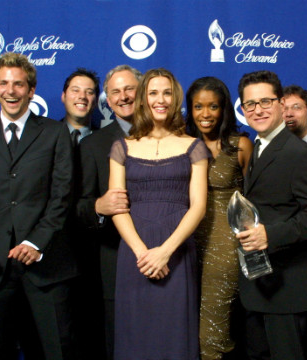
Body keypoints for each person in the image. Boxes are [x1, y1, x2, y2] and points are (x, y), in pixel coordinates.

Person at [0, 52, 78, 360]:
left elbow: (63, 196)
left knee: (56, 350)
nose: (11, 91)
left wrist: (37, 241)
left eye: (19, 84)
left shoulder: (55, 133)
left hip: (46, 266)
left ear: (31, 90)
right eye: (3, 84)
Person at [109, 68, 208, 360]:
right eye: (153, 93)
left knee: (175, 333)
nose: (160, 99)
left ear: (176, 99)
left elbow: (199, 206)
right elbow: (117, 207)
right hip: (134, 254)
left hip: (176, 252)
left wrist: (165, 252)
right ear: (142, 99)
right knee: (135, 334)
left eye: (167, 93)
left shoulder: (194, 147)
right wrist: (143, 253)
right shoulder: (121, 148)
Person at [236, 70, 307, 360]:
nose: (258, 110)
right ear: (242, 110)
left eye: (265, 101)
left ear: (281, 103)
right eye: (250, 104)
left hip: (287, 288)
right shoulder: (255, 148)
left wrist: (270, 234)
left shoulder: (301, 154)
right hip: (258, 287)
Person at [76, 64, 141, 360]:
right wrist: (98, 207)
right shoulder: (92, 145)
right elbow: (76, 206)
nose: (123, 96)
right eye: (115, 91)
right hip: (114, 262)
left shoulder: (171, 137)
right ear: (107, 99)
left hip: (167, 255)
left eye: (130, 89)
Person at [185, 76, 253, 360]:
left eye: (213, 106)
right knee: (183, 326)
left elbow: (253, 201)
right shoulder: (182, 144)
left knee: (212, 333)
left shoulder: (240, 145)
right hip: (183, 243)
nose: (205, 114)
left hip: (224, 247)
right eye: (198, 106)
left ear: (224, 109)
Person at [60, 67, 100, 359]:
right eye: (76, 89)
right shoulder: (43, 137)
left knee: (91, 329)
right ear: (63, 96)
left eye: (89, 91)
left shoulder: (105, 142)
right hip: (50, 250)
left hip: (92, 251)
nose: (82, 96)